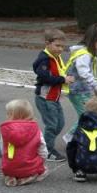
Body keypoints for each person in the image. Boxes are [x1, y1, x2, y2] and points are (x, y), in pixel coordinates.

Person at [32, 28, 74, 161]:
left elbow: (59, 71)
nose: (60, 49)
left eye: (62, 46)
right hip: (45, 98)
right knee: (52, 125)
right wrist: (63, 80)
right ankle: (47, 151)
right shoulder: (44, 59)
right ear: (47, 43)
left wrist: (66, 77)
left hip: (54, 98)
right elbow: (44, 77)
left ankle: (41, 144)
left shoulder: (56, 57)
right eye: (57, 45)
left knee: (60, 124)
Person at [0, 99, 48, 187]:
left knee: (12, 166)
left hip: (9, 167)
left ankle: (11, 177)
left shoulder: (7, 131)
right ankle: (27, 177)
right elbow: (42, 148)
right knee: (43, 170)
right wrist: (42, 160)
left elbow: (2, 149)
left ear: (11, 115)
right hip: (30, 166)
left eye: (8, 114)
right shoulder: (35, 129)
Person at [66, 24, 97, 123]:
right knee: (85, 119)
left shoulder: (85, 52)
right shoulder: (84, 55)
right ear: (92, 41)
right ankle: (74, 134)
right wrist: (95, 85)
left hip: (83, 90)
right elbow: (83, 72)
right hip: (79, 91)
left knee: (87, 117)